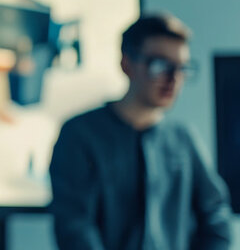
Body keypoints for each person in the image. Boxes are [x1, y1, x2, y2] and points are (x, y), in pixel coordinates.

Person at [49, 14, 233, 249]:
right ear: (127, 64)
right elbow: (74, 227)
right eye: (160, 65)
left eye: (181, 68)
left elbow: (216, 215)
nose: (173, 79)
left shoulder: (183, 139)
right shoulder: (79, 135)